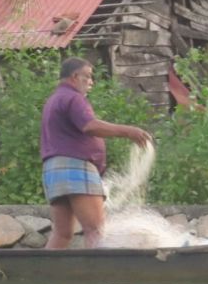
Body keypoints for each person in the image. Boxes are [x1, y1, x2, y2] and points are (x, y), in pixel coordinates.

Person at [41, 57, 152, 249]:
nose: (91, 82)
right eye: (88, 76)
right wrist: (128, 131)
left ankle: (44, 267)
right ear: (75, 76)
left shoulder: (53, 100)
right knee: (95, 230)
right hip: (76, 167)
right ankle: (98, 269)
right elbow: (90, 126)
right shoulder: (74, 98)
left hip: (53, 171)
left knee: (62, 233)